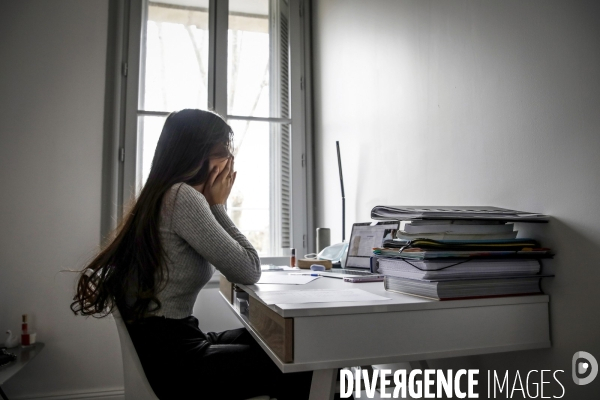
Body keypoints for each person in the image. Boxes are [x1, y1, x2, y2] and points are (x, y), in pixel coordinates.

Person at [71, 109, 312, 399]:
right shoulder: (182, 197)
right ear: (199, 154)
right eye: (225, 151)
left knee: (282, 343)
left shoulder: (163, 194)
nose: (230, 163)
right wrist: (218, 205)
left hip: (171, 343)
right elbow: (249, 269)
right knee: (301, 364)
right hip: (176, 362)